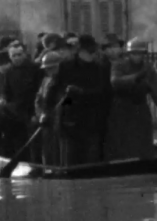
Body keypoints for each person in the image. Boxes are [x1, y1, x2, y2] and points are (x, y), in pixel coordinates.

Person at [43, 33, 111, 166]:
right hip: (69, 118)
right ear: (80, 50)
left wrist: (83, 93)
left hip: (92, 119)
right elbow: (53, 89)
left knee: (91, 161)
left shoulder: (100, 68)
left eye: (91, 52)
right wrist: (47, 111)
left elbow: (106, 93)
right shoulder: (66, 66)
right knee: (70, 158)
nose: (90, 55)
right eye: (87, 52)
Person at [103, 38, 157, 160]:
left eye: (140, 54)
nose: (137, 57)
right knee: (121, 139)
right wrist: (136, 77)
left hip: (140, 107)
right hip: (121, 108)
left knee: (143, 138)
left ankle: (144, 158)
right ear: (129, 54)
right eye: (134, 53)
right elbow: (115, 81)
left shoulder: (148, 69)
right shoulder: (119, 65)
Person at [0, 42, 44, 157]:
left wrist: (36, 112)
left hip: (32, 108)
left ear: (24, 54)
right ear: (10, 57)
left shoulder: (36, 69)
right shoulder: (10, 72)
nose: (17, 58)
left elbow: (40, 91)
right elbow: (6, 92)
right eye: (14, 56)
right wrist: (3, 101)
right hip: (16, 108)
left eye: (19, 54)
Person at [33, 51, 63, 166]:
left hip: (59, 121)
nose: (50, 71)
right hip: (46, 121)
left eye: (53, 68)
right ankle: (48, 170)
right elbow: (38, 99)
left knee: (58, 149)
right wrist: (40, 114)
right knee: (47, 148)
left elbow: (68, 101)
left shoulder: (64, 82)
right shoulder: (45, 81)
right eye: (48, 69)